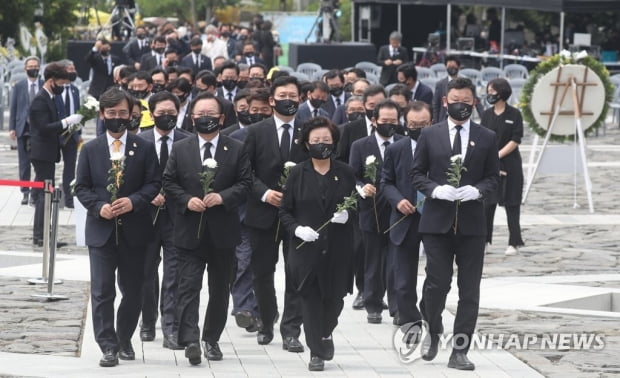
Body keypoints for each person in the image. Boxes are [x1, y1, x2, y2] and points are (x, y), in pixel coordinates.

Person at [411, 77, 499, 371]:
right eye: (455, 100)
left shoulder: (486, 136)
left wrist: (479, 191)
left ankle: (460, 350)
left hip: (473, 224)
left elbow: (492, 176)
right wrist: (435, 189)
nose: (460, 105)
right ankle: (432, 327)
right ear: (445, 102)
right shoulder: (430, 135)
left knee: (469, 289)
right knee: (437, 283)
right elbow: (417, 173)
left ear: (474, 103)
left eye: (466, 100)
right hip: (437, 222)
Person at [163, 92, 252, 365]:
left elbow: (246, 183)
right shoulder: (181, 148)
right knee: (187, 287)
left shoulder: (235, 148)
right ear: (191, 118)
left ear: (222, 118)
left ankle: (211, 339)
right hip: (189, 232)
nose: (205, 119)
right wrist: (187, 200)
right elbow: (169, 182)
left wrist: (223, 197)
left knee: (219, 289)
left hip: (223, 233)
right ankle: (190, 339)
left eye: (211, 115)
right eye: (200, 115)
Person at [75, 87, 161, 367]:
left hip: (135, 230)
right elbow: (82, 187)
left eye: (122, 113)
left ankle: (124, 338)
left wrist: (134, 201)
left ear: (131, 115)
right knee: (102, 290)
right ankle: (107, 345)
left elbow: (153, 183)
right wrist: (98, 206)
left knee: (134, 289)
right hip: (101, 231)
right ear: (102, 115)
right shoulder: (89, 149)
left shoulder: (144, 147)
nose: (117, 118)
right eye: (111, 113)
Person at [279, 117, 356, 371]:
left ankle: (325, 332)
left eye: (326, 140)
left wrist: (348, 215)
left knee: (334, 300)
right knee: (310, 299)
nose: (321, 145)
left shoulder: (345, 171)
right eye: (316, 141)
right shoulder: (297, 173)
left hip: (338, 247)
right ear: (306, 143)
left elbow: (355, 204)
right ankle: (316, 350)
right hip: (305, 249)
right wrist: (297, 229)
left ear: (334, 142)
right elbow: (285, 212)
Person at [243, 75, 308, 351]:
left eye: (293, 96)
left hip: (299, 217)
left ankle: (291, 330)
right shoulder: (256, 132)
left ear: (301, 99)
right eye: (283, 95)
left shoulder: (309, 130)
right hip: (263, 213)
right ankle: (267, 321)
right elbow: (245, 172)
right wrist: (264, 193)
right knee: (262, 273)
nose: (288, 100)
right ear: (271, 100)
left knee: (297, 273)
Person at [137, 91, 192, 348]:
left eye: (172, 112)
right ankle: (147, 320)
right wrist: (149, 197)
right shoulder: (140, 141)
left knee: (174, 274)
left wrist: (175, 196)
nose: (167, 117)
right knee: (146, 273)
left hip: (177, 218)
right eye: (161, 113)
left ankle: (171, 326)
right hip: (146, 218)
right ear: (151, 113)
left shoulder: (187, 141)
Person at [349, 99, 404, 324]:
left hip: (398, 210)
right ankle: (372, 303)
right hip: (370, 210)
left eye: (394, 121)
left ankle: (398, 306)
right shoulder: (360, 145)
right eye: (385, 121)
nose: (389, 125)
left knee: (396, 262)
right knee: (372, 260)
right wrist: (362, 187)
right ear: (374, 121)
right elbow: (352, 175)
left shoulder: (403, 143)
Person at [381, 101, 431, 330]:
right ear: (405, 124)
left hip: (434, 218)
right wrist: (398, 200)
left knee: (437, 277)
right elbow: (386, 182)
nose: (418, 128)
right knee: (403, 280)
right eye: (413, 124)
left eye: (423, 124)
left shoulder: (441, 147)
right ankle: (410, 320)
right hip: (405, 219)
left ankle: (429, 313)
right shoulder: (395, 149)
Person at [29, 62, 83, 247]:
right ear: (51, 81)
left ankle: (43, 234)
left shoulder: (49, 97)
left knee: (46, 195)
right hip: (42, 153)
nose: (62, 87)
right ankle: (41, 236)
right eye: (60, 83)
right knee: (45, 195)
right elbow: (44, 128)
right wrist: (67, 121)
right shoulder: (40, 100)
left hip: (47, 153)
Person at [481, 78, 525, 256]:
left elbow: (516, 139)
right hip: (490, 165)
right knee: (486, 205)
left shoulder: (514, 114)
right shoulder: (486, 114)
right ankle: (483, 240)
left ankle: (514, 241)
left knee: (512, 204)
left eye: (492, 91)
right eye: (488, 91)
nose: (489, 95)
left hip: (511, 163)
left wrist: (498, 154)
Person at [9, 56, 41, 205]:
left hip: (40, 131)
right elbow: (14, 108)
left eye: (36, 66)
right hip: (23, 129)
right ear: (25, 68)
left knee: (39, 162)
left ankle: (36, 191)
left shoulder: (44, 85)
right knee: (24, 163)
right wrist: (12, 128)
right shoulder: (19, 86)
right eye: (31, 66)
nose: (33, 68)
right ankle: (25, 192)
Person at [57, 60, 82, 208]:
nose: (72, 71)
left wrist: (78, 132)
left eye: (74, 69)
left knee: (70, 167)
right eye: (69, 69)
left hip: (72, 135)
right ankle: (43, 195)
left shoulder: (75, 90)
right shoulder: (56, 90)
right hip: (56, 134)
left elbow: (78, 112)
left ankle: (69, 198)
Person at [432, 55, 485, 122]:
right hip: (444, 119)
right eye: (449, 67)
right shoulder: (440, 84)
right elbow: (436, 105)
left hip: (462, 118)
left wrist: (484, 119)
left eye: (453, 67)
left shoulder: (467, 83)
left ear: (459, 67)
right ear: (446, 67)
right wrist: (435, 123)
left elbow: (476, 101)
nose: (451, 68)